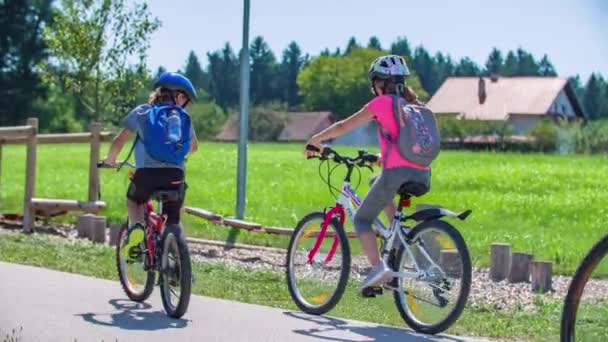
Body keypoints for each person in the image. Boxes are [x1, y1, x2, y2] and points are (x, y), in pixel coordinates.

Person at [305, 55, 432, 291]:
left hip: (396, 174)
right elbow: (407, 144)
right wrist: (379, 158)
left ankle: (378, 269)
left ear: (381, 83)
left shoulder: (382, 103)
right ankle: (396, 236)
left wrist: (316, 139)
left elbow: (344, 125)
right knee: (376, 180)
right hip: (423, 174)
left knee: (362, 219)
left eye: (374, 82)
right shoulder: (412, 106)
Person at [103, 72, 199, 257]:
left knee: (134, 200)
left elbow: (119, 140)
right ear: (179, 96)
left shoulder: (142, 112)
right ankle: (177, 262)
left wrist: (110, 160)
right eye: (186, 99)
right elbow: (193, 147)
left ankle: (137, 234)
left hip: (147, 175)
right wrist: (176, 152)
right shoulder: (182, 118)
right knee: (173, 218)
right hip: (175, 177)